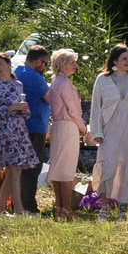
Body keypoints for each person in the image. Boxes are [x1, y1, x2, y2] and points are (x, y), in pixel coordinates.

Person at [89, 45, 128, 217]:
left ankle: (123, 210)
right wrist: (97, 131)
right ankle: (103, 208)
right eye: (124, 58)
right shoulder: (102, 79)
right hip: (110, 126)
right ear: (115, 60)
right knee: (107, 165)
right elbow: (96, 107)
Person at [0, 48, 34, 213]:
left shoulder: (17, 84)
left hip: (18, 129)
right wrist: (12, 107)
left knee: (16, 169)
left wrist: (23, 109)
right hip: (3, 130)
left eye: (1, 63)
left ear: (8, 64)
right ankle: (19, 209)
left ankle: (0, 208)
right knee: (13, 169)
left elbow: (25, 112)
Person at [46, 50, 88, 218]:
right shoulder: (63, 83)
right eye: (72, 62)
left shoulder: (56, 82)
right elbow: (73, 110)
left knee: (58, 167)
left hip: (58, 126)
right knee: (66, 169)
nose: (75, 66)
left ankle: (60, 208)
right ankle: (66, 209)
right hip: (67, 126)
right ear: (63, 64)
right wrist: (83, 128)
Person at [16, 45, 53, 200]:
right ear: (38, 62)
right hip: (35, 127)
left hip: (20, 126)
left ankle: (17, 203)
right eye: (45, 63)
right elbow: (51, 99)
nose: (46, 67)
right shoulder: (34, 77)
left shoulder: (17, 71)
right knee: (32, 168)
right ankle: (28, 205)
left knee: (18, 168)